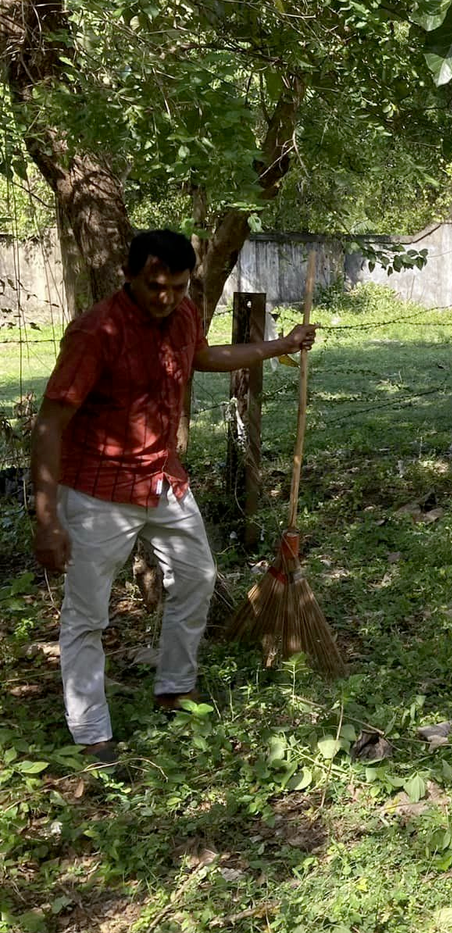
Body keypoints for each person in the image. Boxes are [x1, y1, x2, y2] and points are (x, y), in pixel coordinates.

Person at [31, 230, 317, 768]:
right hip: (98, 490)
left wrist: (281, 345)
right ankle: (93, 734)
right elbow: (50, 423)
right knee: (86, 615)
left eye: (178, 287)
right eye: (156, 286)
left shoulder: (184, 315)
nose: (166, 297)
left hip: (163, 479)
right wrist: (47, 518)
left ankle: (174, 689)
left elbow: (203, 357)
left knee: (196, 578)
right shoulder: (97, 331)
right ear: (131, 275)